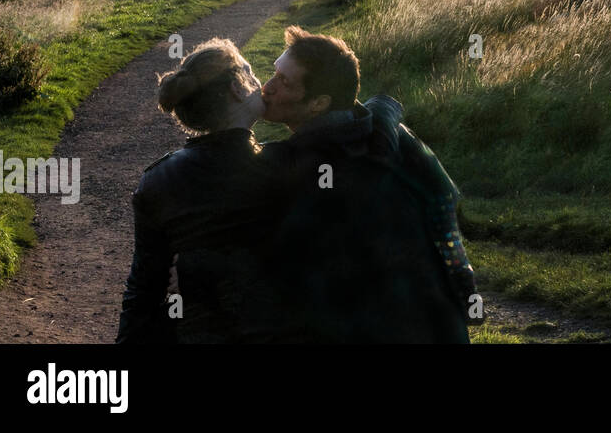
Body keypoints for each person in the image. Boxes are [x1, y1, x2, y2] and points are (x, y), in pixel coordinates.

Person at [258, 25, 475, 343]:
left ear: (319, 103)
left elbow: (443, 200)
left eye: (283, 81)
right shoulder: (390, 133)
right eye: (274, 73)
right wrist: (462, 277)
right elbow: (443, 197)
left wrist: (461, 276)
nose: (267, 87)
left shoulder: (296, 164)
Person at [117, 39, 283, 343]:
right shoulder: (282, 167)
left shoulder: (157, 180)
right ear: (237, 87)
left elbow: (143, 288)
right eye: (251, 71)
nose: (262, 82)